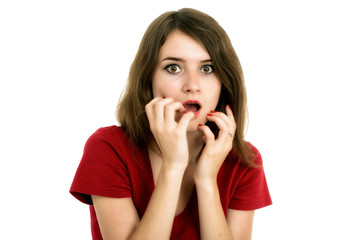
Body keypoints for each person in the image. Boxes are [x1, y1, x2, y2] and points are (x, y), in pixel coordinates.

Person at [70, 8, 272, 240]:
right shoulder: (108, 147)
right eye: (173, 68)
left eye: (207, 68)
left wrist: (206, 180)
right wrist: (173, 166)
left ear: (224, 82)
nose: (192, 85)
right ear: (149, 78)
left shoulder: (244, 161)